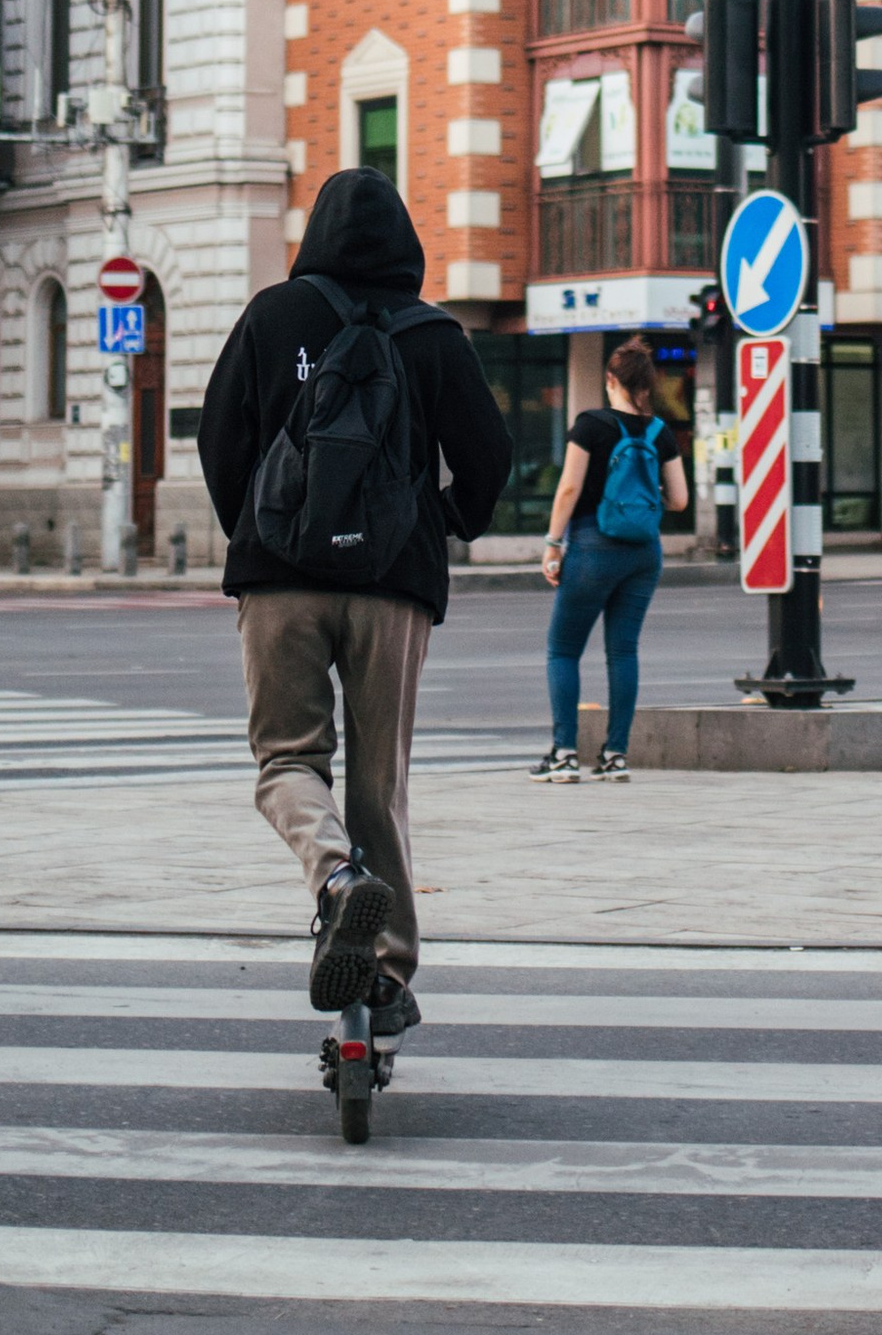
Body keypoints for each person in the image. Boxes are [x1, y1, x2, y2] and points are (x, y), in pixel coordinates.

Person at [198, 168, 511, 1038]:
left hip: (279, 579)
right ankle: (387, 972)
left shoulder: (272, 315)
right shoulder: (436, 334)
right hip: (392, 585)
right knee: (382, 784)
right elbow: (489, 454)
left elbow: (217, 435)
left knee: (287, 761)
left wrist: (256, 534)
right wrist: (444, 522)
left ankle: (336, 880)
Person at [533, 337, 691, 780]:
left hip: (592, 545)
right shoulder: (660, 432)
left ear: (610, 380)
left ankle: (564, 755)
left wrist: (552, 543)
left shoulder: (590, 425)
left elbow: (568, 488)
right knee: (623, 651)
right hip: (644, 553)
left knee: (562, 650)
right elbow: (679, 500)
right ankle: (615, 755)